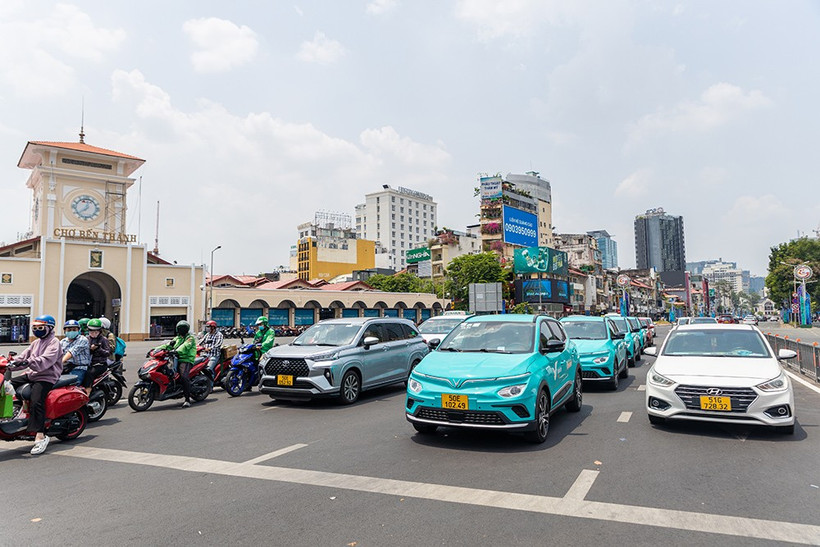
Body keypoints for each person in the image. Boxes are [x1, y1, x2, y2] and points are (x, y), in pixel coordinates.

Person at [7, 315, 63, 455]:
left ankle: (40, 435)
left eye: (40, 328)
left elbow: (45, 361)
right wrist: (10, 362)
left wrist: (27, 363)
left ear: (49, 328)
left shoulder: (54, 342)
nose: (37, 330)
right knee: (7, 384)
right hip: (33, 374)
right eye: (35, 328)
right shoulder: (36, 343)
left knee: (37, 400)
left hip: (47, 376)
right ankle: (13, 414)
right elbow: (23, 357)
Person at [154, 320, 197, 407]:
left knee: (184, 377)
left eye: (181, 329)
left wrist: (176, 351)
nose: (179, 330)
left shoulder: (190, 338)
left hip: (186, 360)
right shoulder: (178, 338)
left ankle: (187, 399)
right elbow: (168, 345)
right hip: (176, 358)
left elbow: (184, 346)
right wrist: (156, 349)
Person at [59, 319, 91, 386]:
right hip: (66, 367)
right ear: (65, 331)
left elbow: (72, 352)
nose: (71, 332)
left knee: (72, 386)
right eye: (69, 330)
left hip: (79, 368)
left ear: (78, 330)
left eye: (74, 330)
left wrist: (60, 361)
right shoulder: (63, 341)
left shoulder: (82, 339)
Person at [84, 318, 111, 395]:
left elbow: (107, 353)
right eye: (91, 331)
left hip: (100, 364)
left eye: (96, 331)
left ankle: (87, 392)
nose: (93, 333)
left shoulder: (104, 340)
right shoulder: (86, 339)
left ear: (100, 331)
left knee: (89, 373)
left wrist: (98, 349)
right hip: (88, 363)